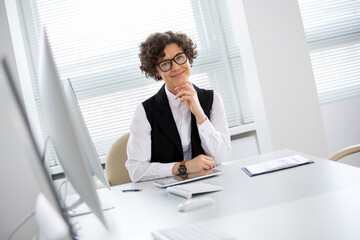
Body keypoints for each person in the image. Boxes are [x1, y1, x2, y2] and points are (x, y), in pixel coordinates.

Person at [125, 31, 231, 182]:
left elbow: (220, 157)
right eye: (165, 63)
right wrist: (183, 167)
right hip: (166, 192)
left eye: (179, 58)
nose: (175, 67)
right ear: (156, 70)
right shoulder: (145, 112)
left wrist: (200, 115)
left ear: (188, 58)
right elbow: (136, 171)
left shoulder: (212, 99)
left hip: (209, 184)